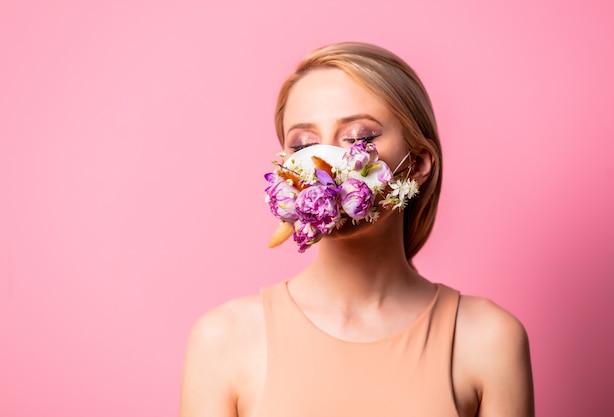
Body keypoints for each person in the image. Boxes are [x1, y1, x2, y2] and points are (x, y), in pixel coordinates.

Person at [179, 42, 534, 417]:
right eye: (303, 143)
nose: (325, 165)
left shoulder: (487, 339)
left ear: (417, 163)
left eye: (359, 137)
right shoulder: (224, 340)